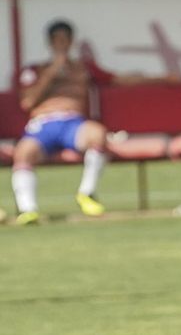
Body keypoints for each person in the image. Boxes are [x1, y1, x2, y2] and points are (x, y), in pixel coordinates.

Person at [11, 20, 121, 225]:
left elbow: (117, 79)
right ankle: (28, 209)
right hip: (43, 124)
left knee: (97, 134)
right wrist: (53, 71)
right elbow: (27, 102)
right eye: (57, 40)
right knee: (23, 152)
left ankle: (87, 193)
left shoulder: (83, 68)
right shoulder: (35, 70)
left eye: (65, 40)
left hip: (73, 124)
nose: (61, 44)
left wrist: (162, 79)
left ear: (71, 42)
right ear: (50, 43)